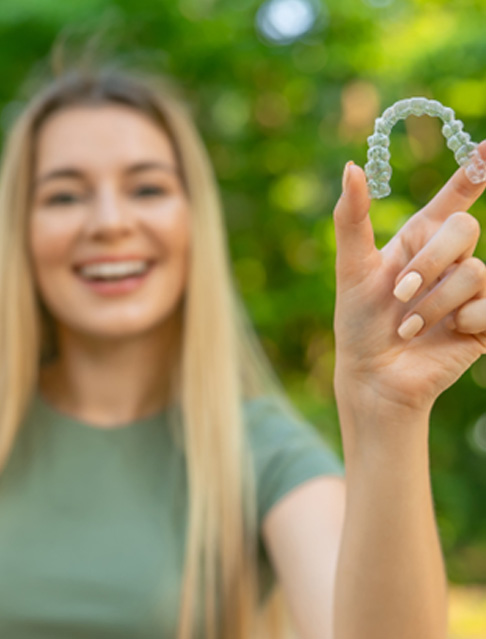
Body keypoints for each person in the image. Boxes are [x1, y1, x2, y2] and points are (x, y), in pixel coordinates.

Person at [0, 56, 485, 639]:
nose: (108, 222)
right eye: (64, 196)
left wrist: (386, 410)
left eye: (147, 187)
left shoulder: (260, 453)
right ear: (19, 229)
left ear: (193, 219)